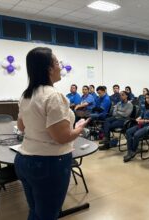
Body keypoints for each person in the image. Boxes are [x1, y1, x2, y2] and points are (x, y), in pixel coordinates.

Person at [15, 47, 90, 220]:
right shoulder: (54, 96)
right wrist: (79, 128)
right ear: (49, 68)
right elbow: (62, 138)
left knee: (35, 211)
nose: (60, 66)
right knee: (48, 215)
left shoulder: (26, 95)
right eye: (57, 62)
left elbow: (21, 127)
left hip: (24, 160)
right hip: (48, 163)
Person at [124, 92, 149, 162]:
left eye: (148, 98)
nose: (146, 99)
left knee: (136, 134)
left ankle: (133, 151)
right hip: (142, 124)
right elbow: (142, 115)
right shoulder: (147, 107)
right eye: (146, 98)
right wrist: (139, 118)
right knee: (128, 132)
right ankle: (129, 151)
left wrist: (144, 121)